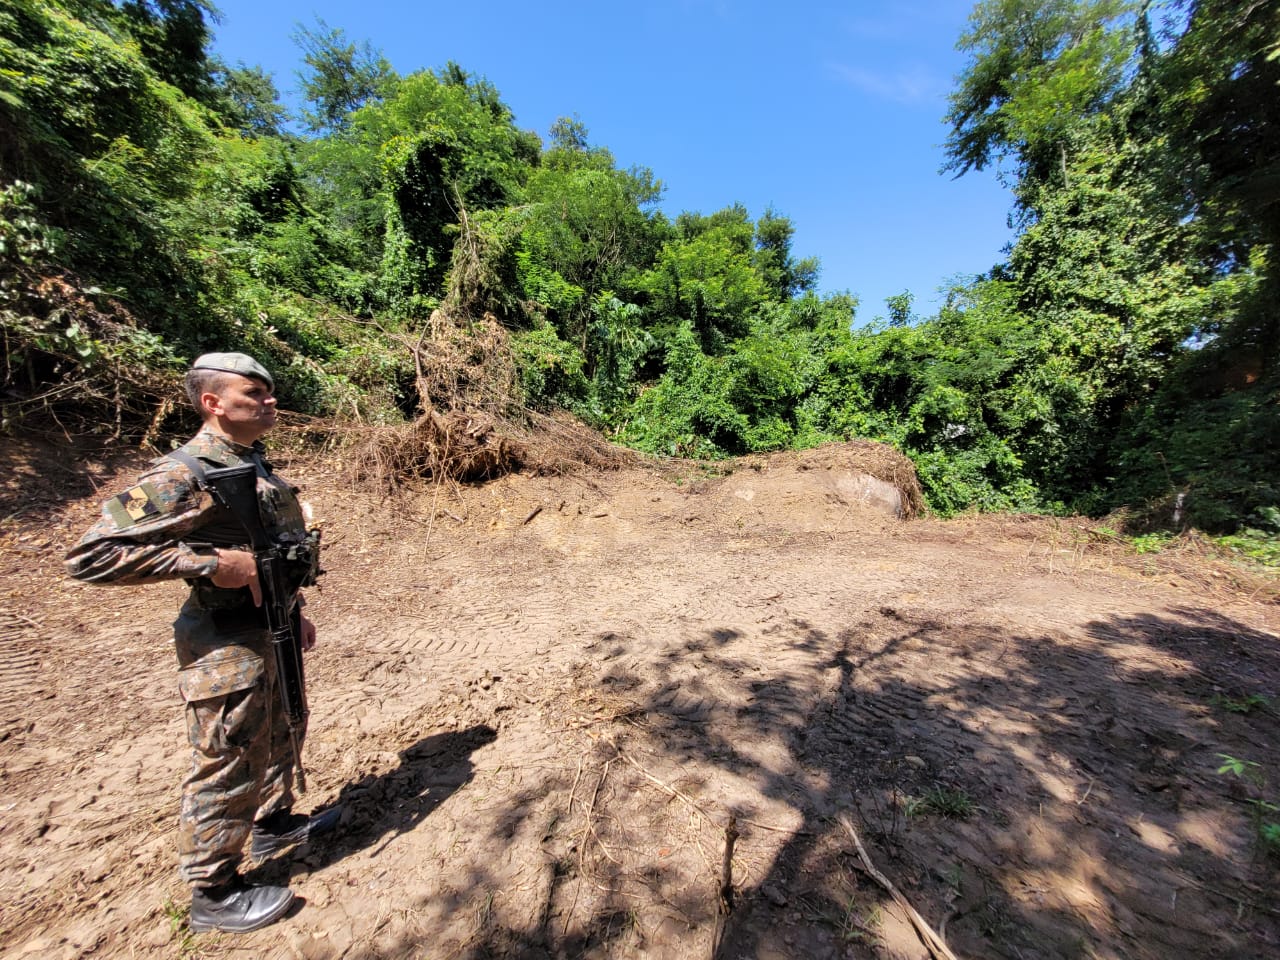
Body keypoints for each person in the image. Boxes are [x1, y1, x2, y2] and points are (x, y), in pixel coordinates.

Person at [65, 352, 339, 934]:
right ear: (212, 403)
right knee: (228, 758)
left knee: (283, 728)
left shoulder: (250, 461)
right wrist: (210, 562)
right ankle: (213, 892)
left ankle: (271, 823)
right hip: (224, 642)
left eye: (270, 393)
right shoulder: (180, 474)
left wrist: (297, 607)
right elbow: (90, 555)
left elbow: (271, 548)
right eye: (253, 394)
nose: (269, 403)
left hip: (273, 626)